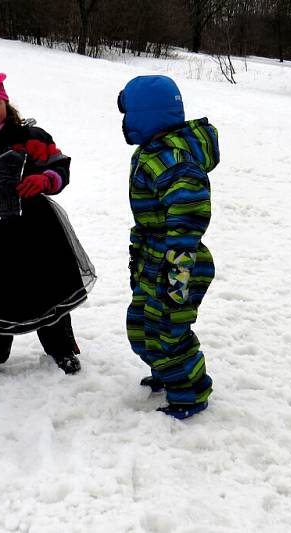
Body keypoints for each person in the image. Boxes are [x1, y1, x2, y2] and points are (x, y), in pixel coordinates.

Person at [0, 64, 96, 376]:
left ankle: (61, 347)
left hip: (36, 228)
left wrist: (45, 179)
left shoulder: (31, 137)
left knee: (47, 286)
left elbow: (58, 167)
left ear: (6, 102)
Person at [117, 75, 220, 419]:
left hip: (180, 262)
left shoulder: (172, 160)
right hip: (155, 259)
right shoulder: (153, 153)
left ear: (145, 116)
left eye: (128, 114)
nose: (125, 122)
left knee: (168, 332)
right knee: (141, 323)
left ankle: (190, 394)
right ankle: (167, 371)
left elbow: (189, 210)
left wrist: (177, 269)